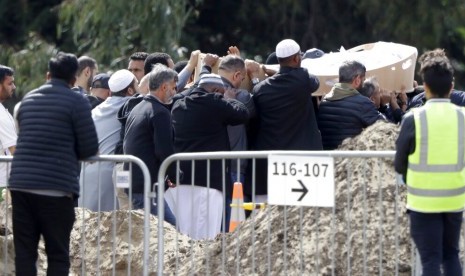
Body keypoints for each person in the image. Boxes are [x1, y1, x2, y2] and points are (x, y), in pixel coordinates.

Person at [8, 52, 98, 275]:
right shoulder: (78, 101)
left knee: (25, 254)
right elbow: (89, 148)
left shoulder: (27, 100)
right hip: (56, 190)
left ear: (48, 75)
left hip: (21, 187)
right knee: (57, 254)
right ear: (73, 79)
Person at [395, 49, 465, 276]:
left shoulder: (413, 118)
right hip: (454, 199)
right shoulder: (462, 117)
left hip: (422, 202)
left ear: (424, 86)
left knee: (430, 260)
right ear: (451, 87)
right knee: (451, 255)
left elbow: (399, 164)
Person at [169, 73, 250, 239]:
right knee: (205, 234)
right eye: (219, 92)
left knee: (181, 233)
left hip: (180, 179)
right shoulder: (214, 102)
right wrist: (228, 98)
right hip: (208, 181)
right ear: (214, 90)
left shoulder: (178, 104)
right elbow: (242, 113)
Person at [251, 39, 322, 199]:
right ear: (297, 59)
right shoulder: (303, 78)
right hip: (303, 160)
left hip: (273, 160)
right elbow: (315, 83)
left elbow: (257, 90)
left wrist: (258, 77)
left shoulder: (261, 89)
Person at [123, 64, 178, 226]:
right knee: (169, 231)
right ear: (164, 87)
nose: (175, 92)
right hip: (146, 186)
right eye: (174, 88)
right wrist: (175, 175)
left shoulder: (139, 107)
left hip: (137, 183)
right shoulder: (160, 113)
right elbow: (164, 150)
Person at [79, 69, 137, 211]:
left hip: (87, 173)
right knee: (113, 227)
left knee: (89, 227)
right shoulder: (130, 106)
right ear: (130, 90)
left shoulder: (97, 110)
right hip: (110, 175)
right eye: (137, 85)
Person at [317, 60, 384, 150]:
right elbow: (385, 128)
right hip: (350, 161)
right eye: (363, 80)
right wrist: (384, 106)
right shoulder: (363, 103)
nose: (363, 84)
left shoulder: (324, 102)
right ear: (357, 80)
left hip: (329, 160)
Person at [0, 65, 17, 187]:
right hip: (3, 186)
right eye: (10, 83)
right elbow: (15, 151)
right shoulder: (1, 115)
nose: (14, 87)